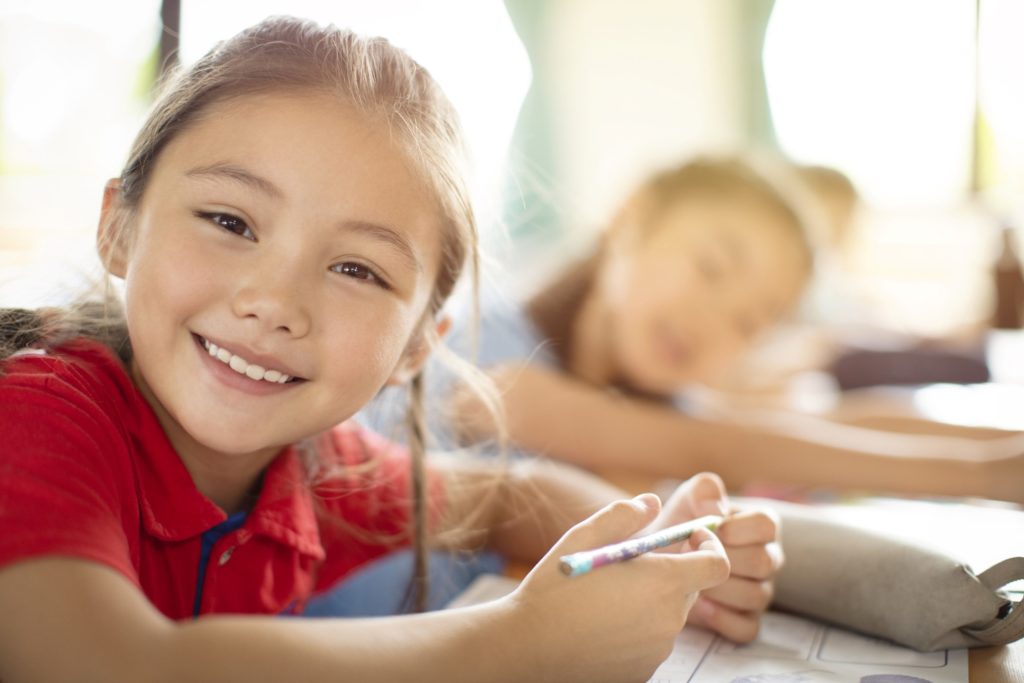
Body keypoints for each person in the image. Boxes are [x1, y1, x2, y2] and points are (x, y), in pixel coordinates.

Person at [0, 18, 783, 682]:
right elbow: (100, 663)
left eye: (356, 268)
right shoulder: (40, 416)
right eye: (230, 221)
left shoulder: (316, 468)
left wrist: (661, 552)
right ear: (118, 226)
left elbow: (511, 496)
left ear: (416, 346)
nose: (274, 302)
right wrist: (521, 640)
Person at [393, 156, 1024, 504]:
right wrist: (986, 475)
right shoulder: (480, 348)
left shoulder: (649, 396)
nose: (715, 323)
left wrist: (1001, 443)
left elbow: (819, 424)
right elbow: (720, 444)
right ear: (630, 219)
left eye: (752, 322)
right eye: (711, 267)